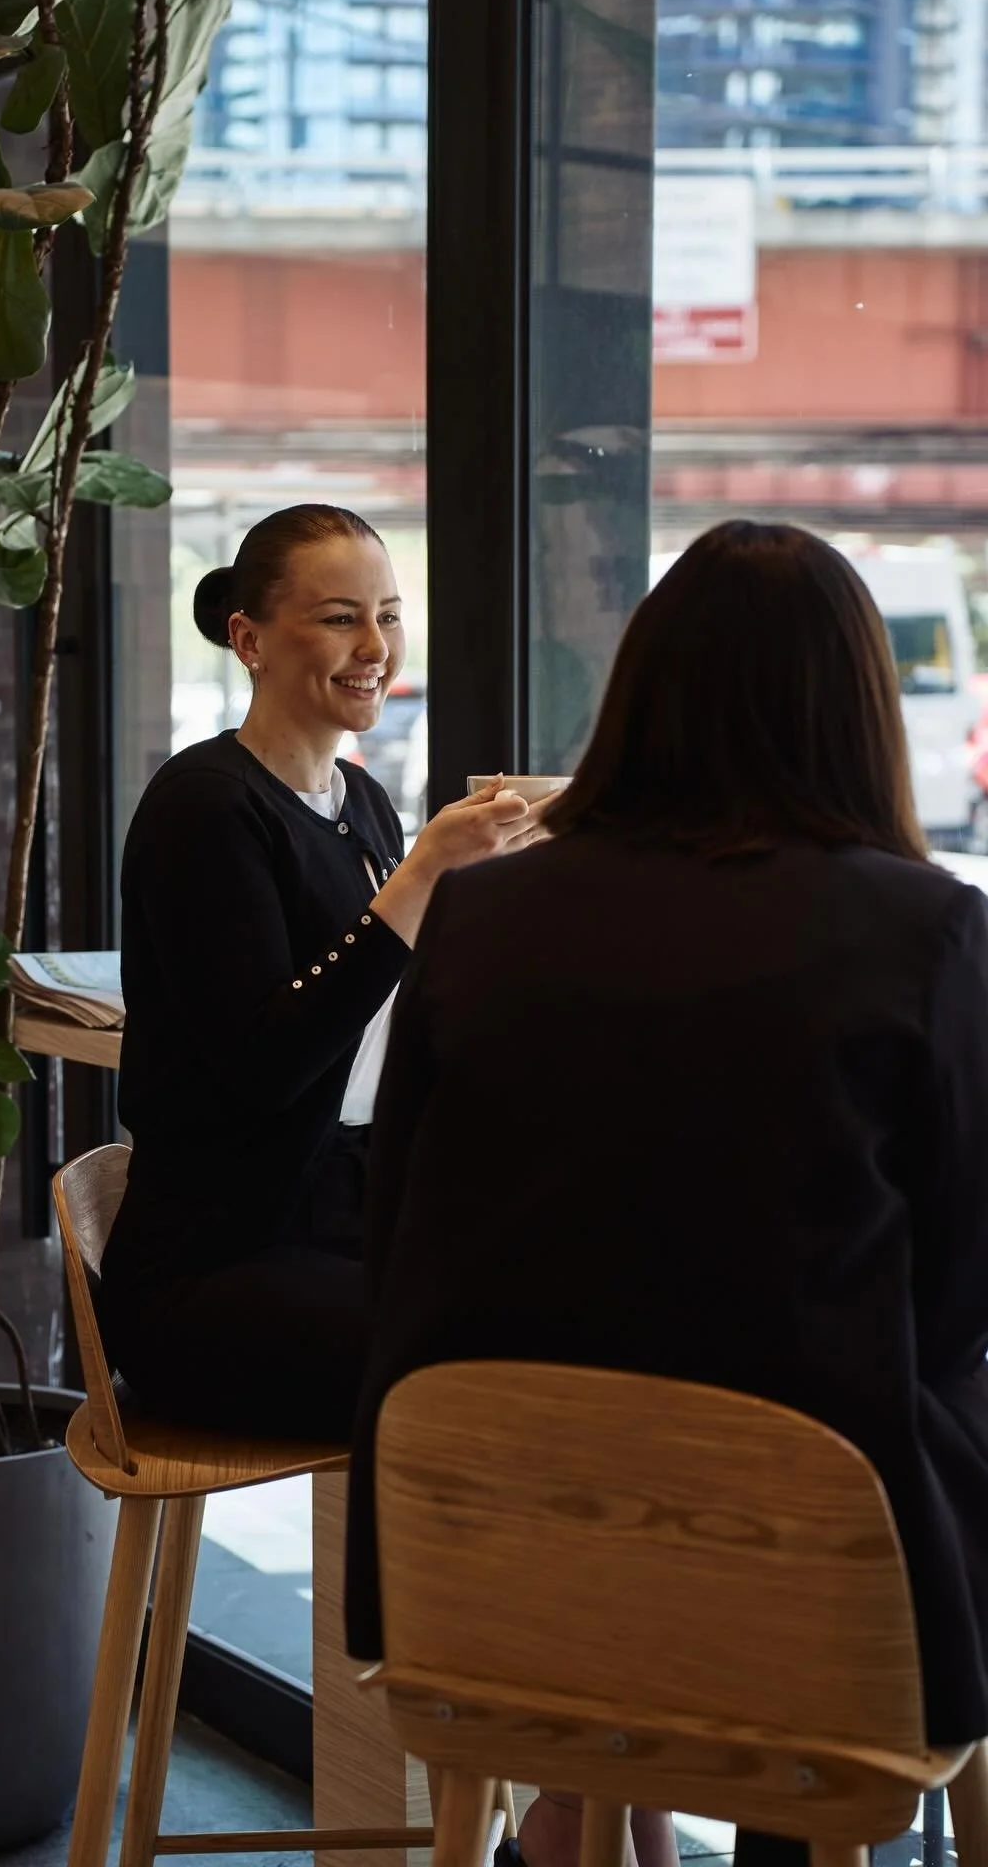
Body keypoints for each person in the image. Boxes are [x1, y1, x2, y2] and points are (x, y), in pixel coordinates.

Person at [344, 520, 988, 1867]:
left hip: (479, 1557)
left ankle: (576, 1806)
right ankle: (790, 1813)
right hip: (807, 1572)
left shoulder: (483, 915)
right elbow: (957, 1285)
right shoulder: (921, 928)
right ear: (857, 707)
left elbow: (399, 1212)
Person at [97, 503, 543, 1437]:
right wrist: (420, 875)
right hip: (216, 1268)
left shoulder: (364, 802)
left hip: (341, 1227)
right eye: (341, 617)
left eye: (387, 613)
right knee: (478, 1370)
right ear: (249, 638)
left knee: (586, 1303)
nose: (374, 645)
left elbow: (389, 1027)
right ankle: (428, 1588)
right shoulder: (205, 809)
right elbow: (269, 1064)